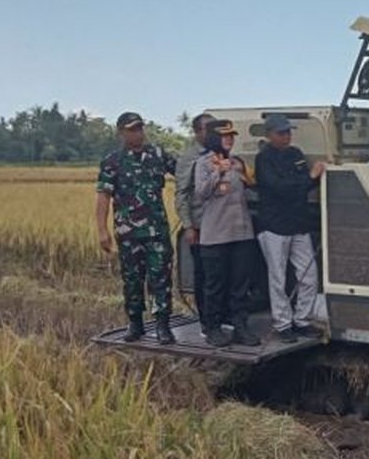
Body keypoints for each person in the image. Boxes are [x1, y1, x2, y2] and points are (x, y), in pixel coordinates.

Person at [94, 111, 178, 344]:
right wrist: (102, 230)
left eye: (140, 128)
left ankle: (163, 325)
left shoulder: (158, 155)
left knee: (160, 277)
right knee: (132, 279)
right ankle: (135, 323)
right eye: (132, 129)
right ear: (121, 132)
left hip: (157, 231)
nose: (138, 133)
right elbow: (103, 196)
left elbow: (184, 173)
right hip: (128, 233)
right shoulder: (113, 161)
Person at [254, 113, 324, 343]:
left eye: (288, 132)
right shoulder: (263, 159)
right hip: (274, 225)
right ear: (270, 135)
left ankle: (303, 320)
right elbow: (279, 187)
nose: (286, 136)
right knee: (278, 278)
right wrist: (308, 179)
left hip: (298, 224)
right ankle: (283, 324)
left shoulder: (296, 154)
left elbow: (303, 182)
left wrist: (313, 177)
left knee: (309, 274)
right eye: (281, 132)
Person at [194, 119, 262, 347]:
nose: (230, 139)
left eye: (232, 136)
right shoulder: (204, 163)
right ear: (214, 137)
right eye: (225, 136)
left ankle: (240, 326)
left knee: (240, 284)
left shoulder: (237, 162)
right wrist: (217, 173)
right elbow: (201, 193)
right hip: (215, 235)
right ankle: (212, 327)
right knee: (215, 285)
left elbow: (253, 185)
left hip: (241, 233)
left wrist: (244, 173)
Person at [175, 112, 214, 328]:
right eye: (208, 128)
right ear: (197, 132)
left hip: (220, 225)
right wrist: (188, 226)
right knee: (203, 274)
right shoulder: (189, 158)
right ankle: (205, 319)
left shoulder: (222, 153)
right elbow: (182, 193)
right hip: (200, 224)